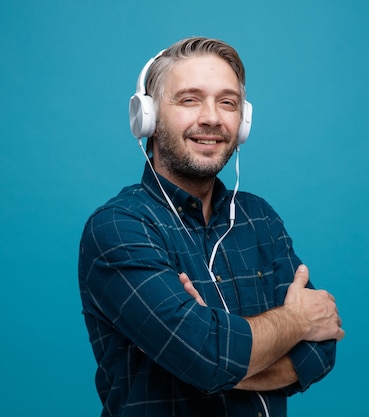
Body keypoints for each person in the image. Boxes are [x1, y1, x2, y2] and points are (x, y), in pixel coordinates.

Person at [78, 36, 344, 417]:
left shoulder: (260, 218)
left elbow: (320, 351)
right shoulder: (118, 228)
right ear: (147, 118)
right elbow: (210, 358)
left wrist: (217, 350)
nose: (213, 118)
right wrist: (296, 320)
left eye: (227, 102)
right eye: (189, 100)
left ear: (243, 120)